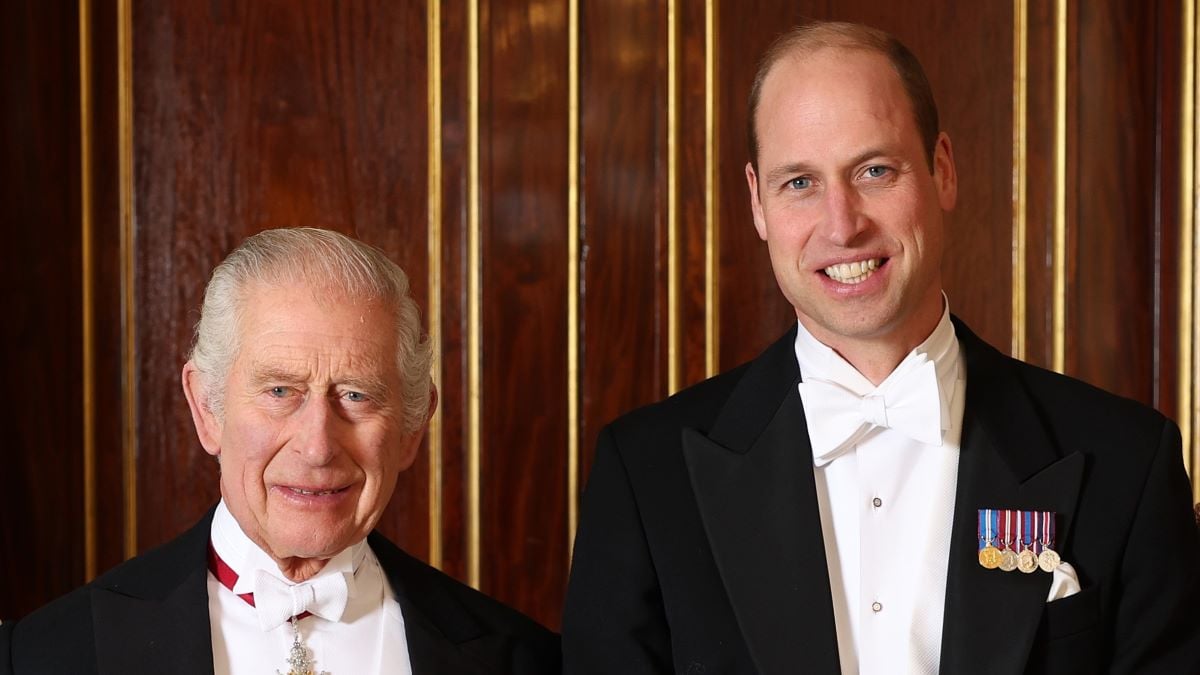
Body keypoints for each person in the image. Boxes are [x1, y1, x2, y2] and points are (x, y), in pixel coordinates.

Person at [562, 21, 1200, 675]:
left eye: (874, 170)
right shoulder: (645, 476)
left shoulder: (1128, 463)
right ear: (757, 203)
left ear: (943, 171)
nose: (842, 224)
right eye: (800, 183)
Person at [2, 228, 559, 674]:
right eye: (279, 391)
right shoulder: (49, 654)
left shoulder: (522, 659)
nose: (317, 447)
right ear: (207, 408)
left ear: (413, 426)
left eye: (356, 395)